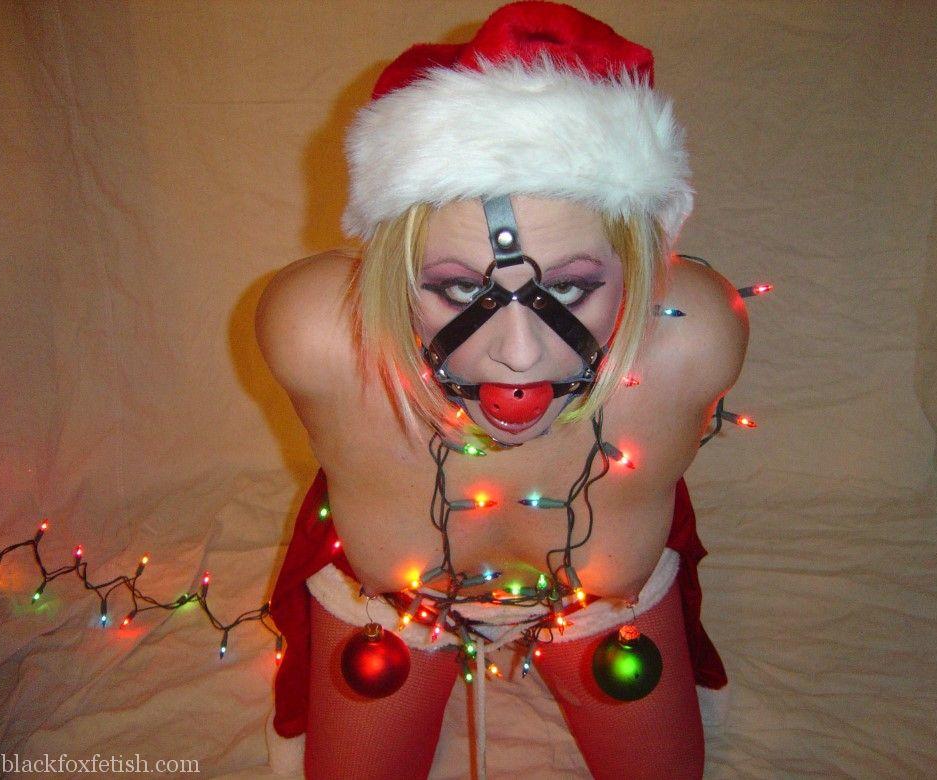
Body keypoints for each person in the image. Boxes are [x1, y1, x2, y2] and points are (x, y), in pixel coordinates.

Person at [257, 2, 748, 778]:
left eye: (573, 286)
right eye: (459, 289)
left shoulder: (694, 337)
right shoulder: (318, 334)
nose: (518, 356)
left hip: (604, 617)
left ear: (641, 267)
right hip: (394, 617)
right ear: (393, 275)